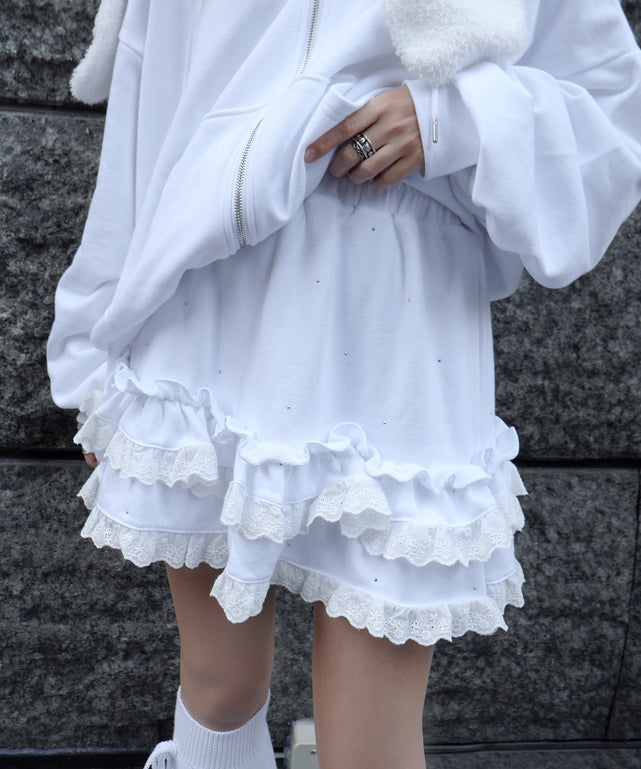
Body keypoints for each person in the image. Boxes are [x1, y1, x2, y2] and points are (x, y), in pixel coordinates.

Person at [47, 1, 641, 768]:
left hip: (401, 322)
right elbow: (146, 106)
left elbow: (609, 113)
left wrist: (453, 118)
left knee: (371, 744)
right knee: (218, 690)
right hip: (206, 308)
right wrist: (93, 350)